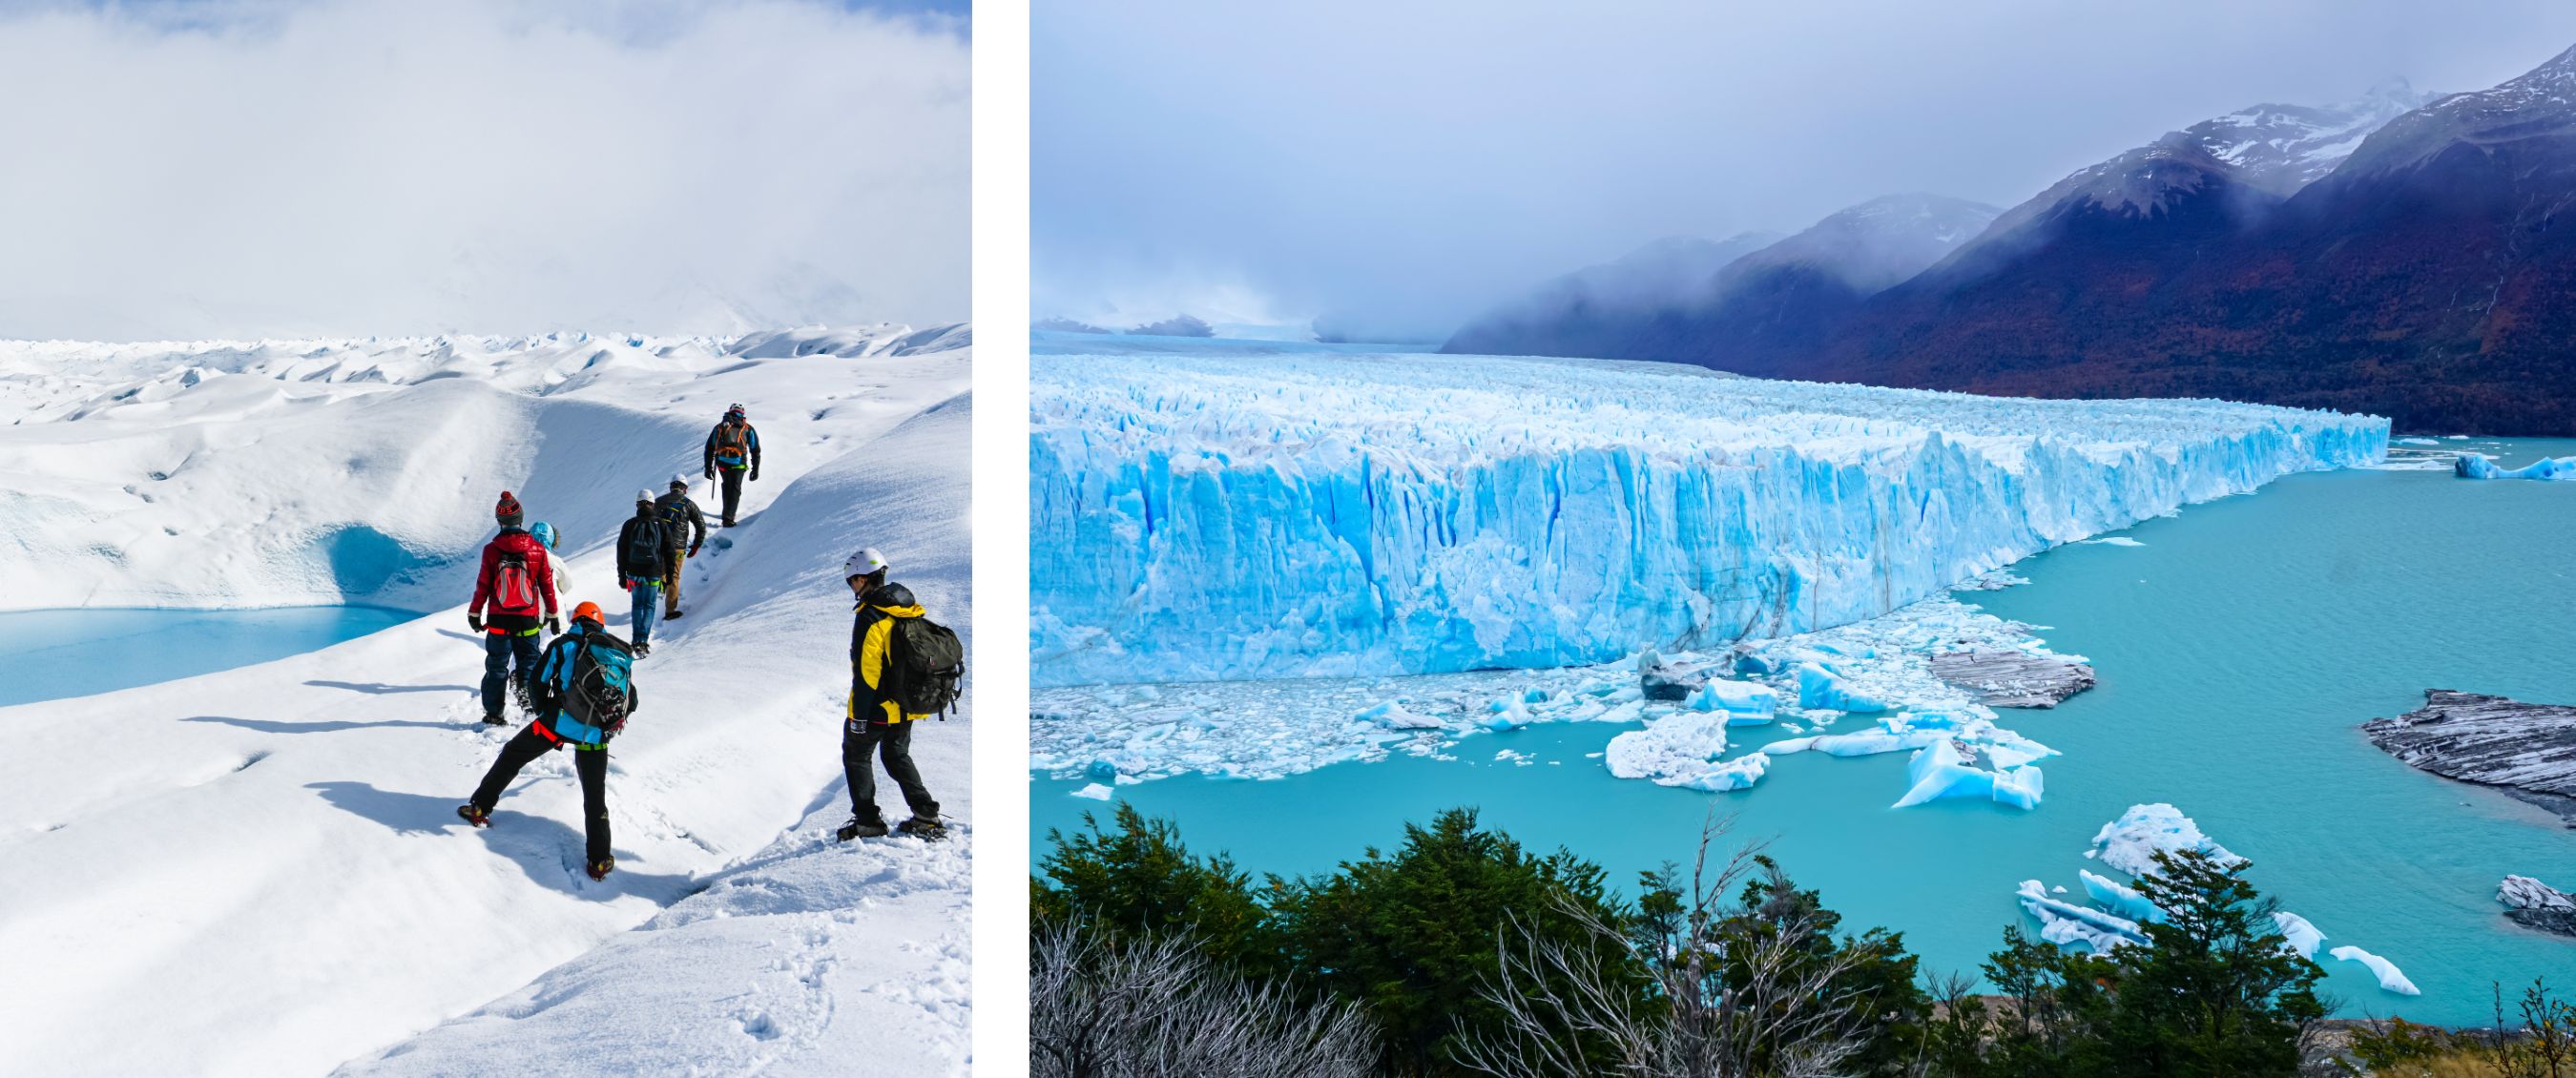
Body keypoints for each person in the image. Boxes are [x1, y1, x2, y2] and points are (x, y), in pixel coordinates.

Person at [456, 601, 638, 882]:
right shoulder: (616, 653)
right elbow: (632, 700)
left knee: (513, 755)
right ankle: (599, 861)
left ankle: (480, 807)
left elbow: (537, 682)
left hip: (556, 725)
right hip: (594, 737)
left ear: (575, 619)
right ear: (600, 623)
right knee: (595, 798)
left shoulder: (562, 645)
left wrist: (545, 712)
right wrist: (606, 726)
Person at [837, 548, 949, 841]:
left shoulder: (871, 616)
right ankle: (926, 815)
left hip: (877, 705)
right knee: (896, 754)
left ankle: (868, 822)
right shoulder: (907, 607)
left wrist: (859, 715)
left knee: (856, 755)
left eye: (851, 581)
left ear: (862, 579)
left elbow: (866, 672)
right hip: (906, 703)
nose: (852, 587)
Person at [467, 491, 560, 725]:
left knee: (497, 665)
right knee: (529, 661)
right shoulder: (536, 549)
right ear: (521, 518)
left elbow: (483, 585)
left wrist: (475, 613)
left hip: (498, 619)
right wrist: (552, 613)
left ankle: (494, 713)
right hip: (527, 618)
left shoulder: (491, 550)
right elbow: (547, 585)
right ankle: (531, 708)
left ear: (499, 521)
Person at [615, 490, 671, 655]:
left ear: (637, 505)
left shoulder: (630, 524)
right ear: (653, 504)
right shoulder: (660, 524)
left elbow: (621, 551)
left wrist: (622, 576)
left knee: (637, 605)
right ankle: (643, 641)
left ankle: (635, 640)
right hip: (653, 572)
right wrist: (667, 574)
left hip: (634, 572)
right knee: (649, 606)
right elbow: (669, 551)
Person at [654, 475, 707, 620]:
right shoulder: (688, 504)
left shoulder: (658, 502)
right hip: (677, 547)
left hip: (659, 545)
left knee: (660, 572)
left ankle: (655, 592)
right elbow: (701, 526)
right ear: (685, 489)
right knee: (674, 577)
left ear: (671, 486)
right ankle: (670, 611)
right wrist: (696, 545)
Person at [702, 404, 761, 528]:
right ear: (742, 414)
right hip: (738, 463)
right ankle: (728, 518)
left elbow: (709, 448)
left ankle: (727, 513)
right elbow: (755, 450)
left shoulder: (719, 427)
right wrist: (755, 469)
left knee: (727, 486)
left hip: (722, 463)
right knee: (735, 489)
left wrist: (708, 468)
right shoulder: (747, 428)